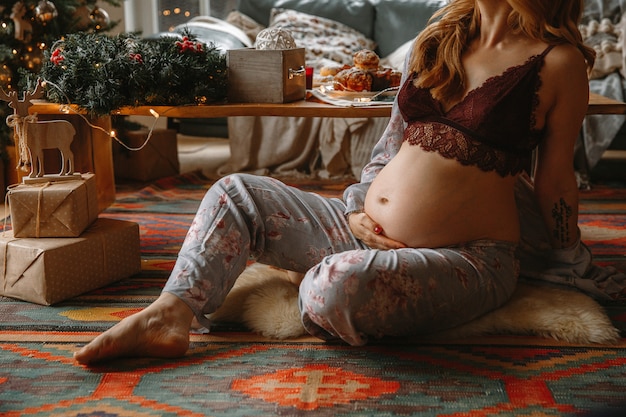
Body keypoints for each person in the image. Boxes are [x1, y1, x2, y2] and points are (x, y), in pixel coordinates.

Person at [74, 0, 626, 364]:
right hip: (363, 229)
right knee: (234, 193)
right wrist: (360, 209)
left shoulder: (558, 62)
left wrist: (570, 261)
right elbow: (391, 146)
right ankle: (169, 316)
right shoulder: (441, 39)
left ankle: (333, 281)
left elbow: (556, 182)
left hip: (471, 257)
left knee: (331, 286)